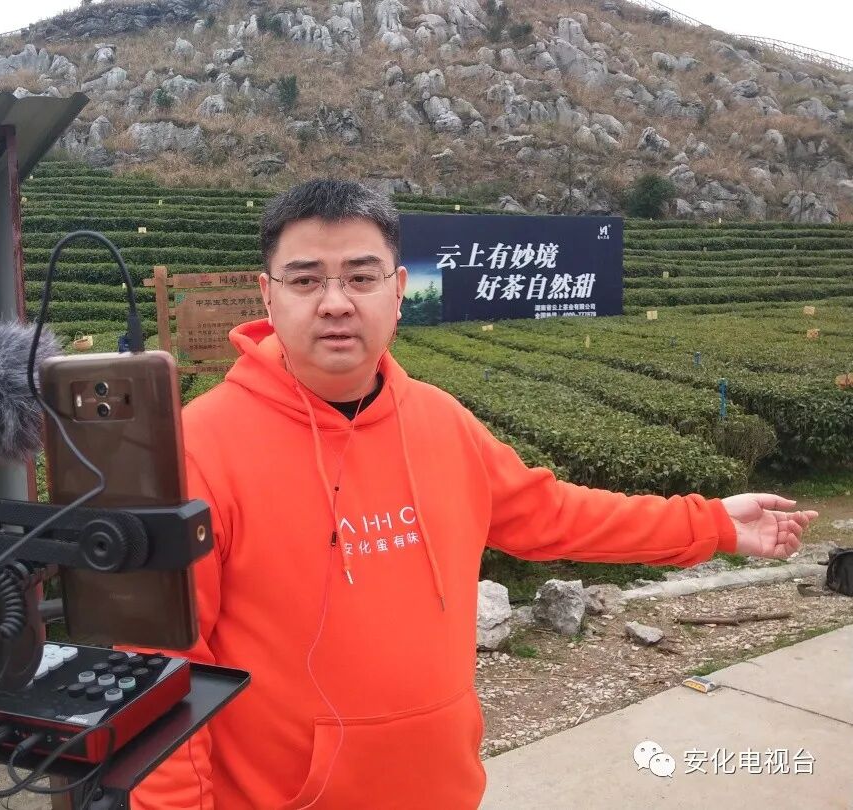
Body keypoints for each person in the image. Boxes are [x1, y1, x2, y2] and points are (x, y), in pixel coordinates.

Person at [130, 179, 817, 809]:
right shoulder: (200, 448)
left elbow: (555, 515)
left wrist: (711, 523)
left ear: (398, 288)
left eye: (361, 277)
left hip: (444, 791)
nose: (336, 301)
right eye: (306, 279)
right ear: (268, 294)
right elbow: (161, 665)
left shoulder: (440, 422)